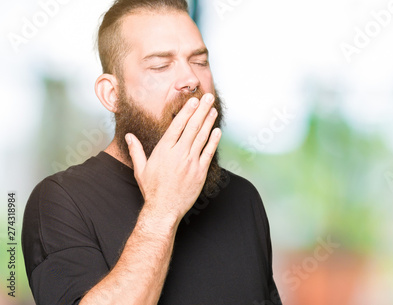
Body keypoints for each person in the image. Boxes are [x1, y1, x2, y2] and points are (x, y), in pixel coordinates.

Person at [21, 0, 282, 304]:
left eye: (199, 61)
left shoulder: (242, 198)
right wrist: (163, 210)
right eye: (161, 65)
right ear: (112, 94)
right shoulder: (59, 201)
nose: (191, 80)